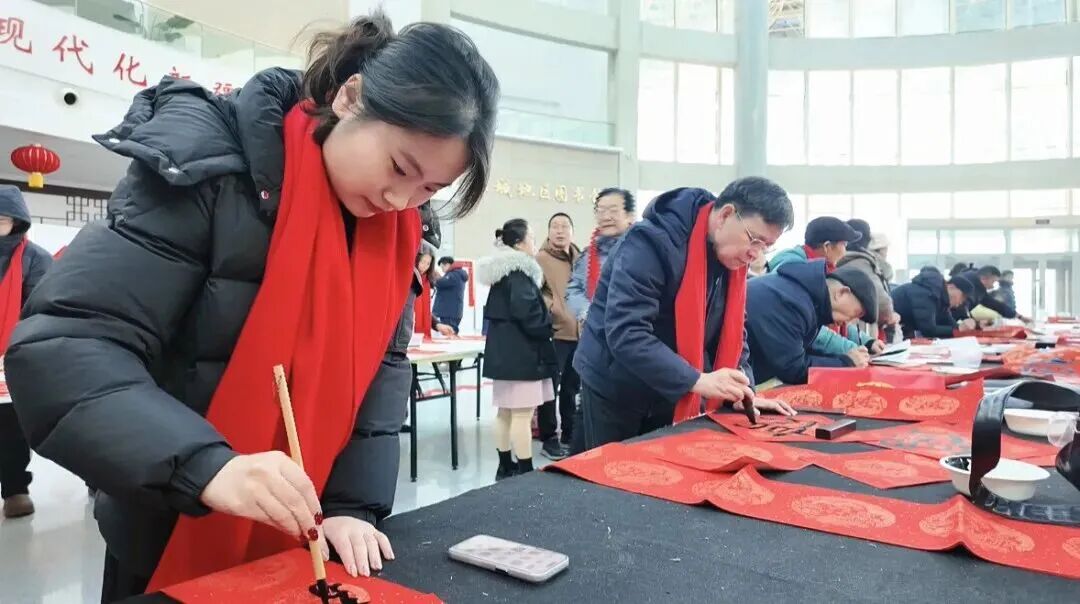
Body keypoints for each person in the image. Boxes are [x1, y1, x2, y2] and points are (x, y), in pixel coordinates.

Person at [5, 12, 498, 601]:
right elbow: (63, 346)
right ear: (350, 97)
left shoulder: (396, 235)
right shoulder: (207, 166)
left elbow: (379, 374)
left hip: (306, 538)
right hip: (170, 522)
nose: (400, 199)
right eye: (399, 167)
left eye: (429, 190)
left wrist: (350, 506)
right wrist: (207, 465)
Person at [572, 180, 798, 454]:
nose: (756, 254)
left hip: (673, 381)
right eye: (754, 240)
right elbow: (627, 332)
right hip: (616, 381)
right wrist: (697, 380)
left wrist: (742, 389)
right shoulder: (651, 242)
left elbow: (733, 330)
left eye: (766, 246)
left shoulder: (728, 258)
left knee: (663, 464)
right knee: (614, 469)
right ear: (726, 215)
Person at [478, 219, 557, 480]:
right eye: (531, 237)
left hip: (503, 356)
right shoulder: (519, 274)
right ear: (519, 243)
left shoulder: (501, 275)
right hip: (523, 356)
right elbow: (529, 314)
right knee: (522, 415)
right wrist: (548, 324)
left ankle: (505, 466)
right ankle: (526, 471)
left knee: (504, 413)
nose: (534, 241)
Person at [0, 186, 53, 519]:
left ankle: (15, 489)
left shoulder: (35, 258)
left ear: (16, 222)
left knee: (15, 424)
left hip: (16, 354)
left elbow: (43, 307)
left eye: (1, 220)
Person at [746, 264, 878, 385]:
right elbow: (793, 369)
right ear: (842, 293)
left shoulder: (804, 296)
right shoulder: (793, 303)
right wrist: (846, 363)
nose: (850, 322)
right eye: (856, 313)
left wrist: (845, 359)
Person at [768, 216, 880, 358]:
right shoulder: (796, 272)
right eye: (844, 244)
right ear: (827, 247)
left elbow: (838, 316)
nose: (845, 251)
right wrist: (851, 350)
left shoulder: (821, 271)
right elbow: (812, 328)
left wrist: (867, 342)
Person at [534, 212, 581, 460]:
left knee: (571, 388)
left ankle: (569, 434)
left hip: (580, 334)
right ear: (549, 231)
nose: (560, 230)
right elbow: (536, 292)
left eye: (565, 226)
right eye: (555, 226)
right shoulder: (540, 259)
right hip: (555, 332)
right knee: (550, 388)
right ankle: (549, 437)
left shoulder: (581, 258)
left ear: (572, 231)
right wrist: (554, 308)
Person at [565, 188, 636, 324]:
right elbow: (574, 288)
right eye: (601, 211)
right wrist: (588, 312)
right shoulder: (587, 257)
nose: (606, 217)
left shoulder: (643, 253)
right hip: (596, 330)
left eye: (613, 211)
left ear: (629, 216)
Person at [837, 219, 897, 341]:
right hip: (862, 333)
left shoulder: (837, 262)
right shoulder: (862, 264)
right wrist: (889, 316)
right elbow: (882, 302)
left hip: (842, 334)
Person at [892, 267, 976, 339]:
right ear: (951, 287)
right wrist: (959, 329)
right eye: (962, 297)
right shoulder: (926, 293)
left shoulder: (941, 299)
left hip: (901, 329)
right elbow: (928, 330)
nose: (961, 303)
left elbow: (952, 326)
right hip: (890, 328)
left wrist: (965, 326)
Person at [956, 265, 1030, 323]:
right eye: (993, 282)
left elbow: (996, 305)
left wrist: (1019, 317)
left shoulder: (980, 289)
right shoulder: (966, 282)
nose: (993, 286)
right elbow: (961, 306)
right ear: (984, 278)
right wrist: (970, 321)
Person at [432, 255, 468, 334]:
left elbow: (440, 283)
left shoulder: (454, 274)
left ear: (447, 264)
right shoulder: (457, 274)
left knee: (449, 333)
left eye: (442, 267)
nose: (442, 269)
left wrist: (435, 277)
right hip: (452, 311)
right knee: (451, 332)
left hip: (449, 312)